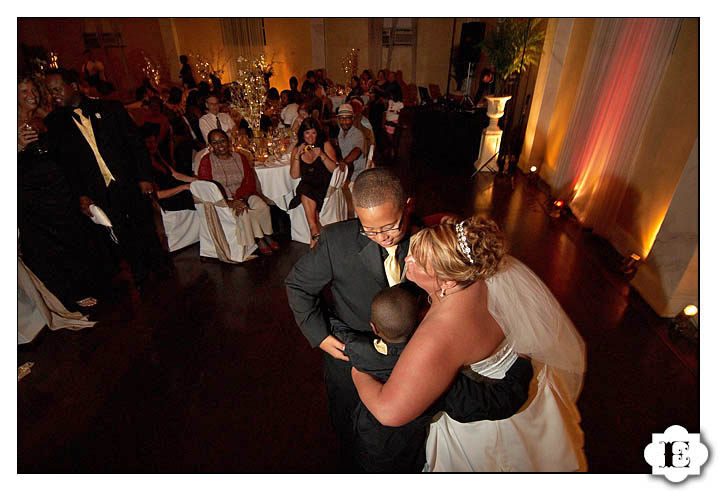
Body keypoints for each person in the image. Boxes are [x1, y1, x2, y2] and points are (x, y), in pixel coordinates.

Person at [285, 168, 533, 472]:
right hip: (350, 356)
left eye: (389, 226)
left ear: (408, 206)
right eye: (369, 230)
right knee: (351, 431)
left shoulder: (428, 240)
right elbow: (297, 286)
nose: (382, 238)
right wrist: (320, 335)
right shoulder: (336, 242)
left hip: (420, 360)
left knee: (407, 441)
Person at [352, 216, 588, 472]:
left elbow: (390, 413)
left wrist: (358, 373)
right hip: (529, 395)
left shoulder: (440, 334)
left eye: (418, 261)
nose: (408, 259)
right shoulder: (482, 273)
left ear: (447, 282)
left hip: (487, 429)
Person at [45, 68, 169, 292]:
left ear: (73, 86)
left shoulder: (109, 108)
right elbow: (64, 166)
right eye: (50, 92)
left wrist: (144, 177)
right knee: (119, 230)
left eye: (57, 89)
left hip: (128, 179)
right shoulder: (54, 123)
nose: (54, 95)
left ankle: (160, 266)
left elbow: (136, 144)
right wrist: (80, 195)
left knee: (143, 222)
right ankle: (138, 273)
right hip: (96, 187)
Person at [17, 75, 108, 308]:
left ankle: (85, 284)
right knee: (47, 244)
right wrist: (18, 147)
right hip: (33, 194)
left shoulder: (47, 116)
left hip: (60, 186)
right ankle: (66, 295)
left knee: (73, 236)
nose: (32, 95)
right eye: (24, 92)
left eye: (34, 90)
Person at [197, 129, 279, 255]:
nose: (220, 146)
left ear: (228, 141)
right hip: (222, 200)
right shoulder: (206, 161)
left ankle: (267, 234)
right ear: (210, 146)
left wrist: (241, 198)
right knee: (245, 212)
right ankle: (259, 239)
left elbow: (249, 180)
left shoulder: (240, 157)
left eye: (222, 141)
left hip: (243, 195)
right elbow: (207, 188)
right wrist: (230, 202)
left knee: (262, 207)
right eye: (215, 143)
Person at [287, 117, 338, 248]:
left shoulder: (325, 145)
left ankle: (314, 233)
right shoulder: (297, 149)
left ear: (318, 133)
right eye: (307, 133)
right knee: (305, 189)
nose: (310, 137)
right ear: (302, 134)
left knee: (305, 191)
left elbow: (334, 169)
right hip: (308, 186)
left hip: (324, 185)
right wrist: (297, 157)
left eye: (313, 133)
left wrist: (322, 155)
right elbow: (294, 175)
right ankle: (314, 231)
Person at [143, 131, 196, 211]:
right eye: (149, 142)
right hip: (168, 199)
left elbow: (175, 174)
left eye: (154, 142)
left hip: (178, 190)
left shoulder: (157, 156)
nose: (153, 145)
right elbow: (157, 195)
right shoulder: (143, 167)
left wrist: (195, 180)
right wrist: (183, 187)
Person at [336, 104, 366, 187]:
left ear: (352, 119)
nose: (344, 122)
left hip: (356, 175)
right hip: (347, 172)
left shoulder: (357, 134)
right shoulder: (341, 132)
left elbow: (357, 151)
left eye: (347, 118)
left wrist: (344, 162)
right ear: (338, 120)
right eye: (342, 119)